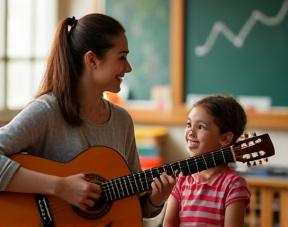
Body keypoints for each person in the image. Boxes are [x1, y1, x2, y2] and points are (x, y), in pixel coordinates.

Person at [0, 14, 176, 221]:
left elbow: (132, 204)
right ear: (92, 60)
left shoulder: (122, 121)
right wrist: (60, 187)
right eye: (121, 57)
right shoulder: (47, 111)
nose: (128, 67)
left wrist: (155, 200)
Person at [163, 95, 251, 227]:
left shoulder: (234, 186)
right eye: (189, 124)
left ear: (225, 138)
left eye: (201, 127)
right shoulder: (181, 179)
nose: (191, 132)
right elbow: (169, 223)